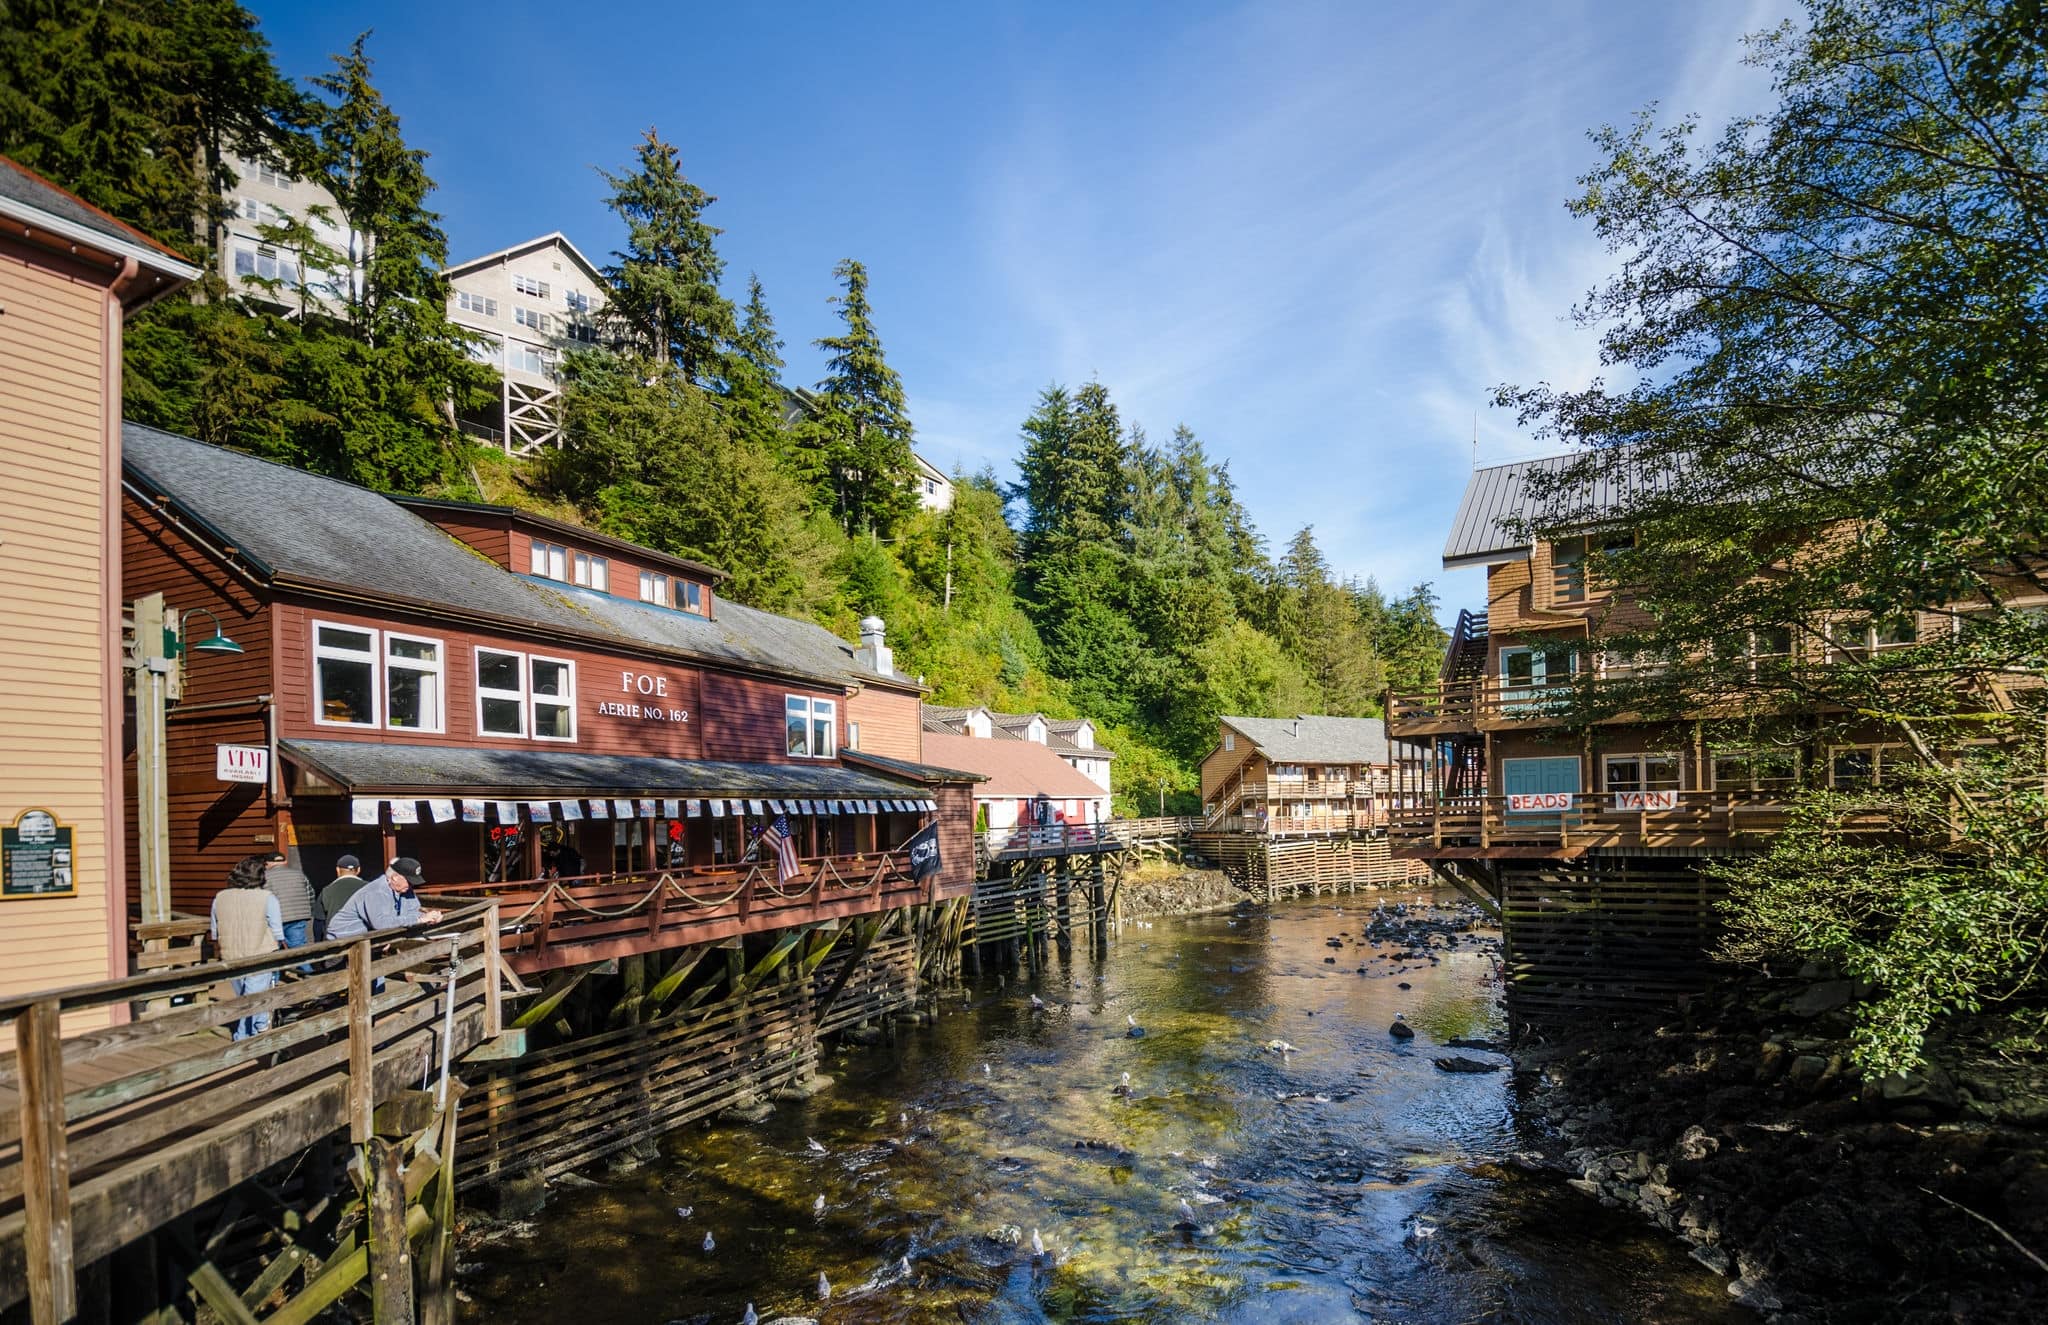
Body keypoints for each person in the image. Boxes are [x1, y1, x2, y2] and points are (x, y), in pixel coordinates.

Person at [211, 855, 284, 1040]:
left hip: (231, 953)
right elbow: (277, 930)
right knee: (256, 997)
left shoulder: (220, 897)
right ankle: (254, 1033)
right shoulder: (267, 897)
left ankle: (244, 1034)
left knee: (243, 997)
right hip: (260, 951)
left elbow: (214, 929)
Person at [325, 857, 443, 939]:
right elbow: (380, 923)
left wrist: (429, 917)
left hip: (368, 939)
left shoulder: (405, 889)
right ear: (395, 877)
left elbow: (413, 911)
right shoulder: (375, 892)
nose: (412, 885)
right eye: (409, 881)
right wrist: (420, 920)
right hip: (342, 939)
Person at [263, 850, 318, 963]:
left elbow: (264, 899)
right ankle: (306, 973)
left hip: (275, 920)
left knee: (274, 950)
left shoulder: (265, 876)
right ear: (285, 861)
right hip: (298, 917)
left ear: (267, 863)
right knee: (298, 948)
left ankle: (274, 978)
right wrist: (308, 911)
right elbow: (310, 894)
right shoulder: (299, 873)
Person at [320, 854, 371, 924]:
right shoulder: (370, 888)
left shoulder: (326, 890)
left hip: (335, 933)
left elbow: (319, 921)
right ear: (358, 869)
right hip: (365, 933)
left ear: (337, 869)